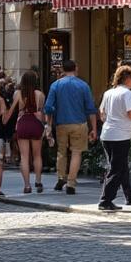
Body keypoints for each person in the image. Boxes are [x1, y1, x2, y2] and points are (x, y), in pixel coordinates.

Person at [43, 59, 98, 195]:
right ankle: (71, 183)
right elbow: (91, 109)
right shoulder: (83, 85)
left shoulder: (56, 85)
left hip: (61, 123)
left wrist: (48, 125)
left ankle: (61, 177)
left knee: (61, 152)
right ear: (76, 68)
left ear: (63, 69)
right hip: (79, 123)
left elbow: (48, 107)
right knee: (76, 152)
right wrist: (94, 128)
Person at [98, 65, 131, 211]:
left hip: (107, 134)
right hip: (120, 135)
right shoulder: (128, 94)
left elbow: (102, 113)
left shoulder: (109, 93)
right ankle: (105, 200)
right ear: (128, 78)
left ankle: (130, 196)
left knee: (121, 166)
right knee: (117, 169)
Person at [4, 71, 46, 194]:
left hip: (23, 123)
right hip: (35, 124)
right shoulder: (40, 94)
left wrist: (5, 120)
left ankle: (27, 185)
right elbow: (41, 112)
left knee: (24, 156)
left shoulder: (18, 93)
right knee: (37, 155)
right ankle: (38, 181)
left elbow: (12, 110)